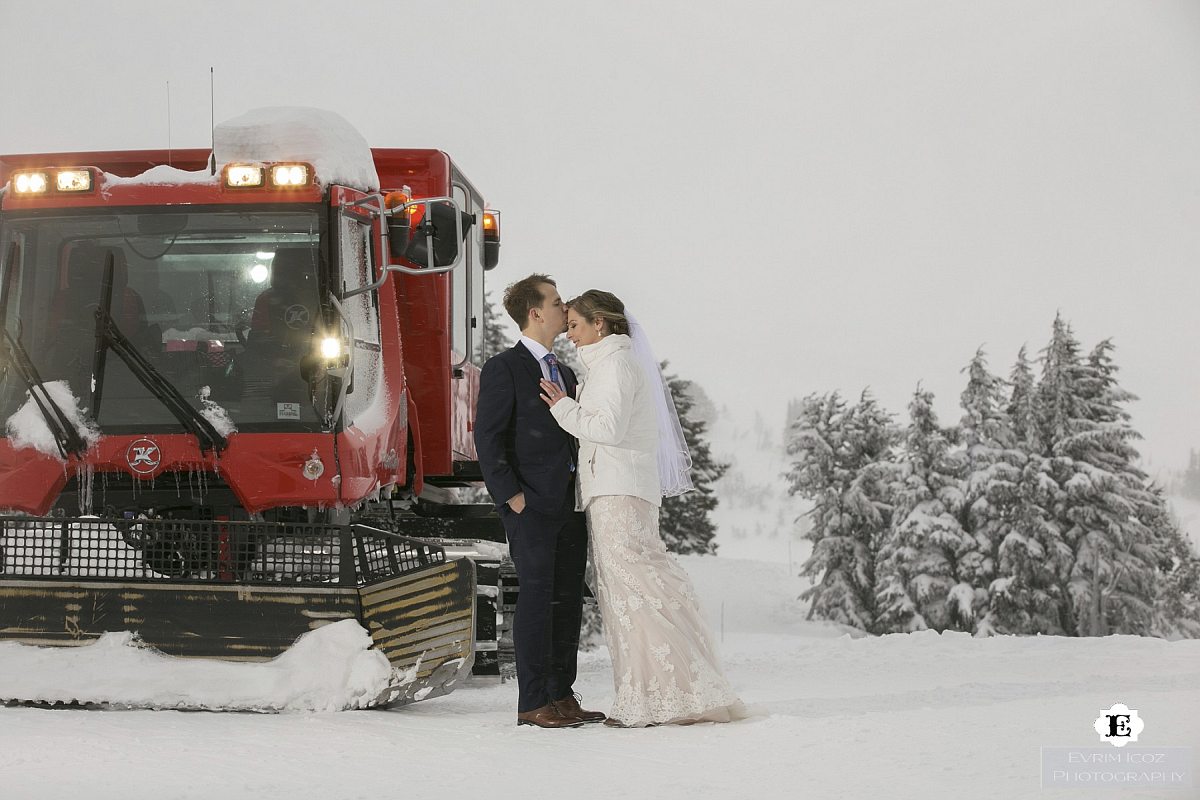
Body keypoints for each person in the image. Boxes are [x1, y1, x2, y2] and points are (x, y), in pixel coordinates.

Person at [539, 289, 746, 728]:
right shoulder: (613, 365)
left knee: (634, 594)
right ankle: (658, 695)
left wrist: (562, 408)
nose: (569, 334)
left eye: (575, 325)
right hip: (621, 491)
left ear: (601, 324)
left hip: (618, 494)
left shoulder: (614, 366)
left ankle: (659, 697)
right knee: (633, 593)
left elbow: (608, 429)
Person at [473, 274, 605, 729]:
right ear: (535, 312)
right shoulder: (504, 368)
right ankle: (532, 702)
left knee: (567, 600)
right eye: (555, 301)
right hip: (529, 506)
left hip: (570, 506)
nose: (562, 307)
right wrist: (511, 496)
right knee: (535, 598)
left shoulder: (565, 372)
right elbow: (487, 438)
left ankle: (560, 695)